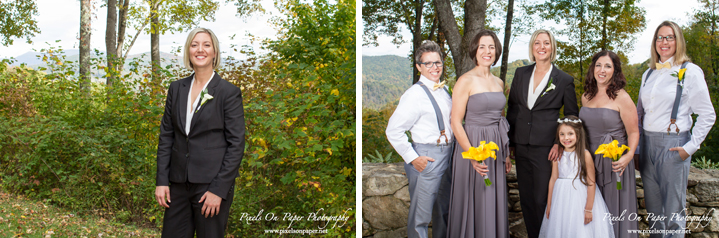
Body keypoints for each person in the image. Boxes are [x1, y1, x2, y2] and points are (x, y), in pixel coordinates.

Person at [155, 27, 246, 238]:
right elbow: (167, 136)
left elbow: (236, 145)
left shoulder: (227, 92)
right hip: (177, 184)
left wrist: (219, 190)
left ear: (214, 52)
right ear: (188, 51)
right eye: (194, 45)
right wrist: (161, 180)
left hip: (210, 187)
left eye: (206, 45)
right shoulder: (176, 88)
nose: (200, 49)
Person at [636, 20, 716, 237]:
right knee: (654, 212)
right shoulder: (648, 74)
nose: (664, 42)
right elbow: (639, 114)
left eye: (669, 37)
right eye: (660, 37)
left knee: (673, 214)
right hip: (648, 146)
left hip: (673, 145)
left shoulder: (690, 71)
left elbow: (708, 114)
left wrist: (689, 147)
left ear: (678, 41)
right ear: (654, 42)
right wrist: (637, 148)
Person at [506, 29, 579, 238]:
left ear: (552, 47)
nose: (541, 47)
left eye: (546, 43)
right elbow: (513, 108)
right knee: (526, 200)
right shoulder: (521, 73)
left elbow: (572, 116)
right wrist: (510, 142)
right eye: (537, 43)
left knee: (542, 199)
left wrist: (559, 142)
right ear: (532, 47)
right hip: (521, 145)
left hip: (547, 148)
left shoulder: (564, 79)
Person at [445, 30, 511, 237]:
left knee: (492, 195)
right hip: (472, 145)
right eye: (482, 46)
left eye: (491, 47)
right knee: (474, 196)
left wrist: (506, 153)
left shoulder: (499, 83)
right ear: (475, 50)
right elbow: (455, 121)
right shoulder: (465, 80)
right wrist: (472, 154)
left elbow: (501, 119)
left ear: (497, 51)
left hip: (495, 149)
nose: (487, 51)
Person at [385, 40, 453, 238]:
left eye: (438, 62)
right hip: (427, 156)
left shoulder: (444, 90)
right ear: (419, 67)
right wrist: (414, 158)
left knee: (444, 211)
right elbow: (393, 130)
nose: (434, 67)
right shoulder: (414, 95)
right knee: (420, 218)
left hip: (448, 155)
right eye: (428, 63)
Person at [579, 50, 639, 238]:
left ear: (615, 70)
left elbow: (634, 132)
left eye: (607, 66)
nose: (602, 70)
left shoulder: (621, 97)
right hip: (590, 162)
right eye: (598, 65)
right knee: (592, 211)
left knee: (614, 211)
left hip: (615, 163)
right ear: (593, 68)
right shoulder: (586, 96)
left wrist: (628, 157)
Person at [538, 116, 615, 238]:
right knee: (560, 227)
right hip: (560, 200)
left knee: (578, 228)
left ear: (578, 134)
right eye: (562, 134)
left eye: (570, 134)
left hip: (579, 199)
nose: (566, 138)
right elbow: (553, 179)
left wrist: (589, 209)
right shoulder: (558, 155)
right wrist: (549, 205)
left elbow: (591, 182)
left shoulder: (585, 155)